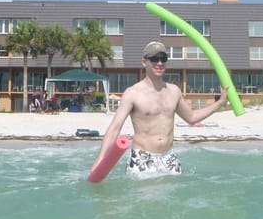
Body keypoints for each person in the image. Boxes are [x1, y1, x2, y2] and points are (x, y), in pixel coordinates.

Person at [90, 42, 231, 180]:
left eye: (163, 59)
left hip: (169, 158)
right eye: (154, 59)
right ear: (144, 62)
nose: (159, 63)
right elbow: (115, 128)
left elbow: (192, 117)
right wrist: (100, 159)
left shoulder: (174, 91)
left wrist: (220, 103)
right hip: (143, 158)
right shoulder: (133, 93)